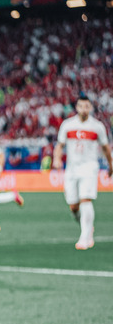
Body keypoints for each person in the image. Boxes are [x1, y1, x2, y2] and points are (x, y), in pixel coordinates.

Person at [53, 95, 111, 250]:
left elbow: (105, 148)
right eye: (81, 106)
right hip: (72, 168)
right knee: (73, 206)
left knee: (86, 199)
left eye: (86, 106)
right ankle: (87, 228)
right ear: (77, 107)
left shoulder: (97, 126)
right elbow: (59, 145)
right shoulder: (67, 125)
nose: (84, 109)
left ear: (90, 108)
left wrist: (111, 165)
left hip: (89, 167)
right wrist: (57, 159)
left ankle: (85, 238)